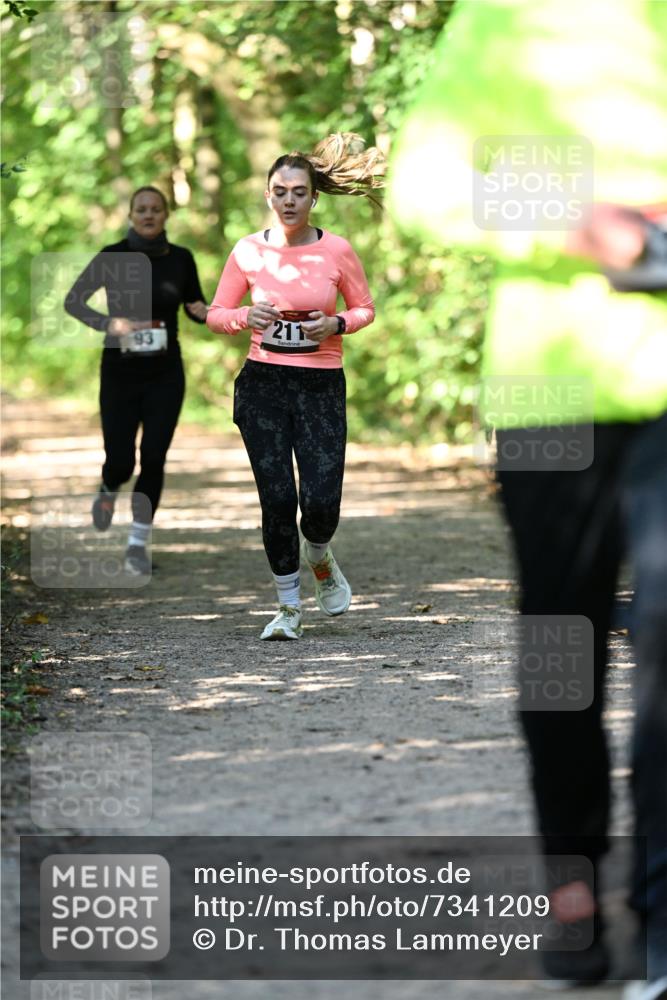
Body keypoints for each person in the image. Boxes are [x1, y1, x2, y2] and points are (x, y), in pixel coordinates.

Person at [388, 1, 667, 997]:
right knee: (561, 641)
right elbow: (423, 186)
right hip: (547, 385)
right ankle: (572, 879)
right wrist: (579, 216)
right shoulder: (510, 17)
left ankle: (658, 904)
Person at [207, 133, 383, 639]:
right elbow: (217, 314)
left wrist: (338, 325)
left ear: (313, 197)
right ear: (268, 196)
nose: (289, 200)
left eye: (299, 192)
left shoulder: (337, 251)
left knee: (322, 502)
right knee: (278, 498)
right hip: (263, 385)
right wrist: (245, 314)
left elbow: (365, 308)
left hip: (322, 386)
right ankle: (288, 609)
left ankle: (321, 555)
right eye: (280, 191)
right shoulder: (248, 251)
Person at [65, 186, 208, 575]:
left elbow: (195, 305)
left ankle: (137, 543)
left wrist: (206, 311)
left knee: (154, 457)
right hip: (119, 373)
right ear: (131, 215)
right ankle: (109, 486)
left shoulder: (181, 258)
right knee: (121, 460)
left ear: (165, 215)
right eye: (141, 209)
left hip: (165, 374)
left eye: (156, 209)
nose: (148, 215)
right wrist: (108, 323)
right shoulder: (111, 257)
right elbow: (73, 301)